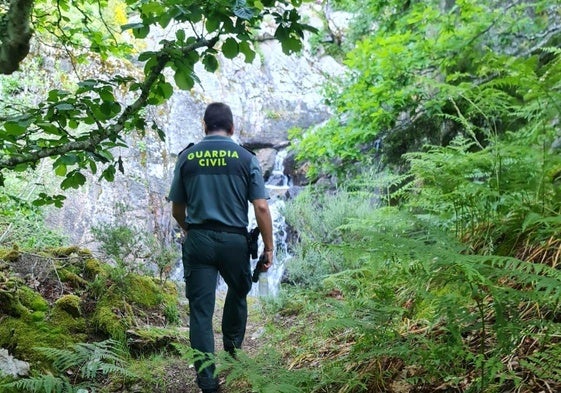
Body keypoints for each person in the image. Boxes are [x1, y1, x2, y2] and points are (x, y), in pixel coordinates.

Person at [168, 102, 274, 393]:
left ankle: (207, 381)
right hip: (234, 241)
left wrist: (190, 230)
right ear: (231, 128)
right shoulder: (245, 158)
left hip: (199, 239)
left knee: (201, 311)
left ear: (204, 125)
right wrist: (269, 247)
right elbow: (261, 208)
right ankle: (232, 353)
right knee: (238, 292)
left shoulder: (187, 157)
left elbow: (178, 208)